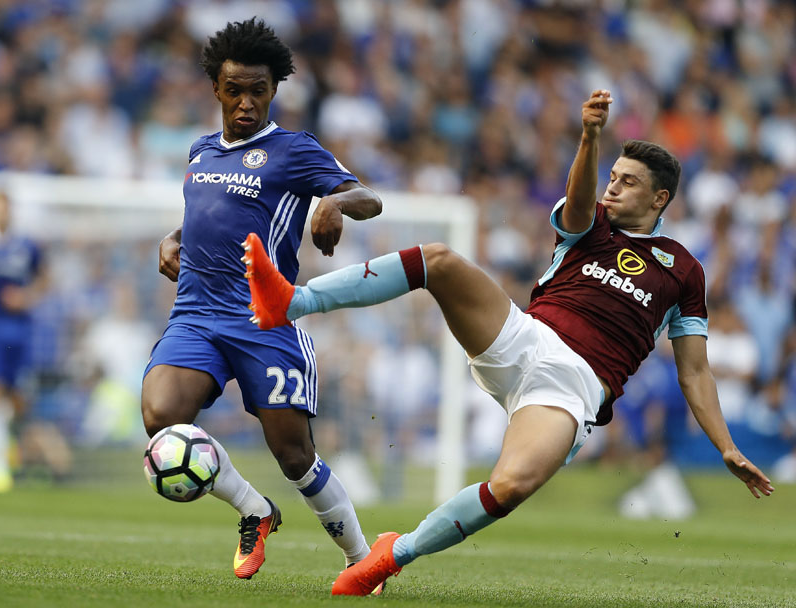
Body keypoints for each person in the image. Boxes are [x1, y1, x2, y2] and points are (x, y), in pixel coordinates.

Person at [241, 89, 775, 595]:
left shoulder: (684, 271)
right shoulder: (590, 225)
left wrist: (726, 447)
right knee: (441, 260)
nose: (613, 187)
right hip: (523, 336)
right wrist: (588, 138)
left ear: (660, 197)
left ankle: (391, 554)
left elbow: (696, 371)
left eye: (628, 182)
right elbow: (581, 200)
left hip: (573, 386)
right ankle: (291, 302)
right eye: (612, 176)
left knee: (512, 486)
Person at [141, 18, 383, 581]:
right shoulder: (201, 152)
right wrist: (171, 240)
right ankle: (254, 509)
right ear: (216, 90)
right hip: (196, 317)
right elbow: (206, 219)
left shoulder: (294, 150)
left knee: (295, 456)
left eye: (258, 91)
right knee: (161, 418)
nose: (246, 102)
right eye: (235, 90)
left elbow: (368, 197)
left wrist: (334, 204)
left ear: (274, 91)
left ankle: (361, 560)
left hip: (264, 320)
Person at [0, 190, 45, 492]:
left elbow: (44, 276)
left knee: (18, 401)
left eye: (5, 206)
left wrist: (29, 297)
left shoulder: (25, 245)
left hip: (21, 333)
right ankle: (0, 465)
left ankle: (9, 451)